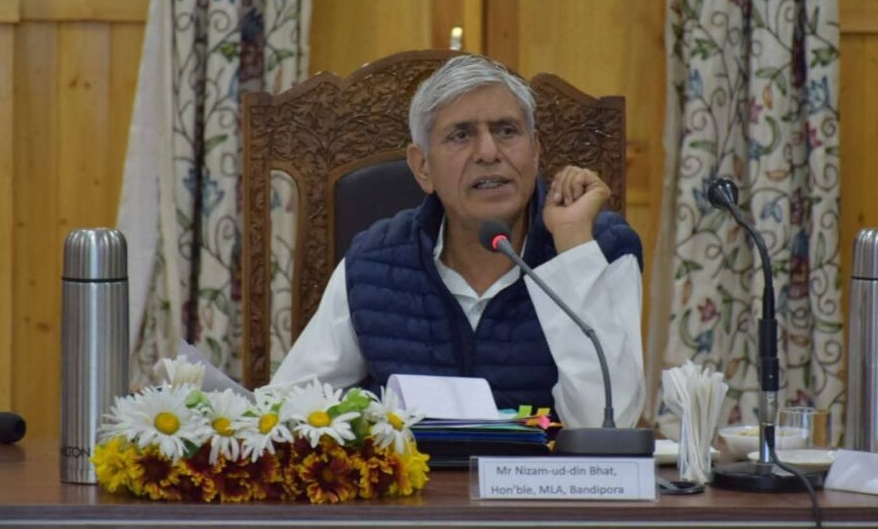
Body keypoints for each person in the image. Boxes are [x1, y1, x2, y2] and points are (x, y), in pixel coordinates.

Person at [272, 55, 644, 428]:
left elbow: (607, 427)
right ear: (422, 167)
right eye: (461, 135)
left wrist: (573, 247)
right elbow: (286, 411)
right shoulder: (374, 260)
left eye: (506, 131)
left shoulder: (601, 248)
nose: (488, 153)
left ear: (535, 150)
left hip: (545, 469)